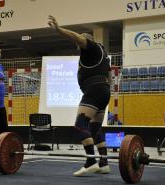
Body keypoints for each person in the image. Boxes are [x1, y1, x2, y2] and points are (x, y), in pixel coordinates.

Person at [48, 15, 112, 176]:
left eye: (80, 43)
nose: (78, 45)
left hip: (94, 90)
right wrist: (103, 90)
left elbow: (78, 38)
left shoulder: (91, 47)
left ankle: (91, 161)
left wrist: (59, 29)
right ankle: (104, 163)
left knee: (80, 125)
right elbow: (110, 76)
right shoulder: (101, 54)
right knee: (95, 128)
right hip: (103, 91)